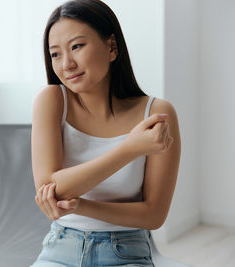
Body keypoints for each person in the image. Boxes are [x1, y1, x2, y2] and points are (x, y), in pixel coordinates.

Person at [30, 0, 181, 266]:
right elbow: (49, 189)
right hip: (60, 248)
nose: (67, 64)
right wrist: (129, 149)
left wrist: (82, 206)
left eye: (76, 46)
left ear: (111, 47)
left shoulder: (155, 113)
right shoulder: (52, 100)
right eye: (55, 54)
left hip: (126, 251)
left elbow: (154, 215)